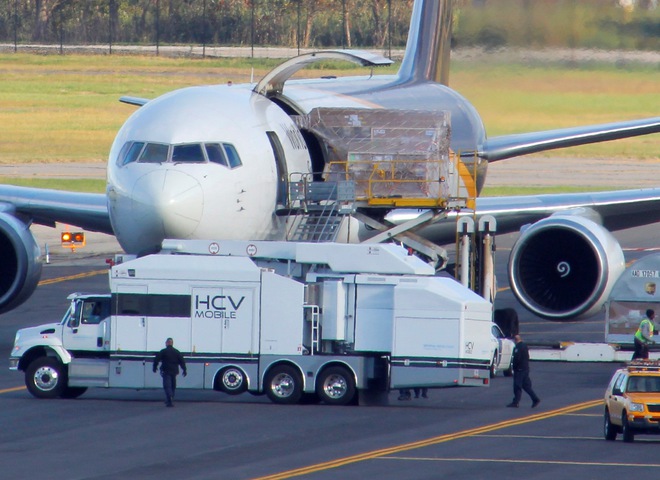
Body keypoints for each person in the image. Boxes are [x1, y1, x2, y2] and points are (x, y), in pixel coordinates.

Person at [507, 334, 540, 408]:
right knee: (526, 386)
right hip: (525, 369)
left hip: (519, 370)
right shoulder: (525, 346)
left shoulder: (518, 347)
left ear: (515, 340)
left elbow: (517, 359)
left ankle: (516, 402)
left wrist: (514, 367)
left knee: (517, 386)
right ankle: (535, 399)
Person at [153, 338, 187, 407]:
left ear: (167, 343)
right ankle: (171, 398)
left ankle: (169, 399)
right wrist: (184, 370)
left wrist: (154, 367)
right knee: (173, 385)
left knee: (167, 385)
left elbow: (156, 359)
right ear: (172, 343)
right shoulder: (176, 352)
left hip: (166, 371)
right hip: (174, 371)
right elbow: (182, 361)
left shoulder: (164, 351)